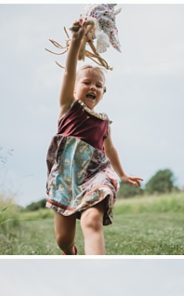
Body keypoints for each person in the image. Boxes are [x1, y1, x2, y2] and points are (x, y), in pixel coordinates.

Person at [45, 20, 142, 255]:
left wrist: (122, 174)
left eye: (99, 85)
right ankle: (71, 252)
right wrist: (77, 40)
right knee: (63, 240)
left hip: (96, 175)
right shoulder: (68, 107)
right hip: (66, 180)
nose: (93, 87)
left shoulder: (104, 122)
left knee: (91, 222)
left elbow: (110, 149)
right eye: (87, 82)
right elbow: (69, 71)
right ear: (75, 87)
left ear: (103, 93)